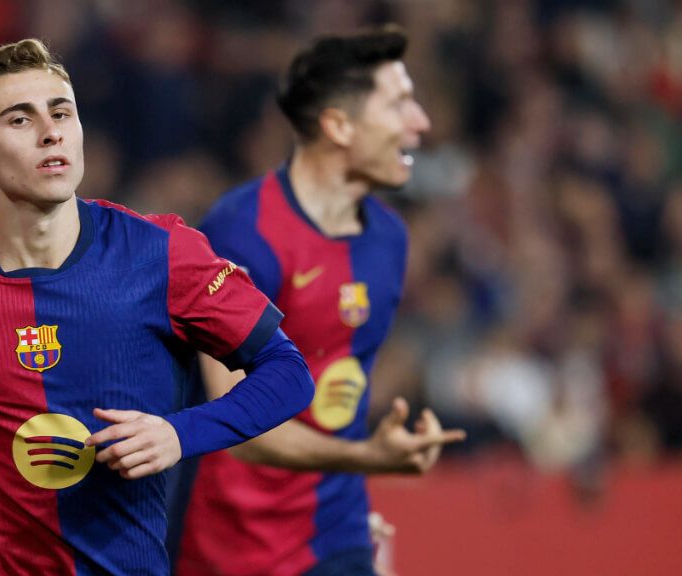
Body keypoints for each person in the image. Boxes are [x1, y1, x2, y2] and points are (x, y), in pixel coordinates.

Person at [0, 38, 313, 575]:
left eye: (61, 112)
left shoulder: (163, 254)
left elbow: (287, 372)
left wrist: (180, 433)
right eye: (19, 119)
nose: (51, 131)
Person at [176, 25, 466, 576]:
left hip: (336, 531)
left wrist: (356, 501)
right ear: (338, 125)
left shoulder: (389, 237)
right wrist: (365, 459)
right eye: (400, 103)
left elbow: (342, 383)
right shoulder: (244, 232)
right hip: (236, 545)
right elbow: (233, 418)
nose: (420, 122)